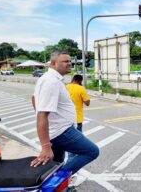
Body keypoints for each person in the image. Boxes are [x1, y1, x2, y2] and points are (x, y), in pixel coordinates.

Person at [31, 50, 99, 182]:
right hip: (62, 131)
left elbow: (34, 98)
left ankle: (51, 182)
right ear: (54, 63)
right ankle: (58, 181)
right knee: (91, 151)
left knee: (56, 162)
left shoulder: (49, 78)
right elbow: (42, 114)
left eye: (70, 61)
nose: (70, 64)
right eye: (65, 61)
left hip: (56, 130)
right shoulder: (52, 82)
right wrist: (45, 146)